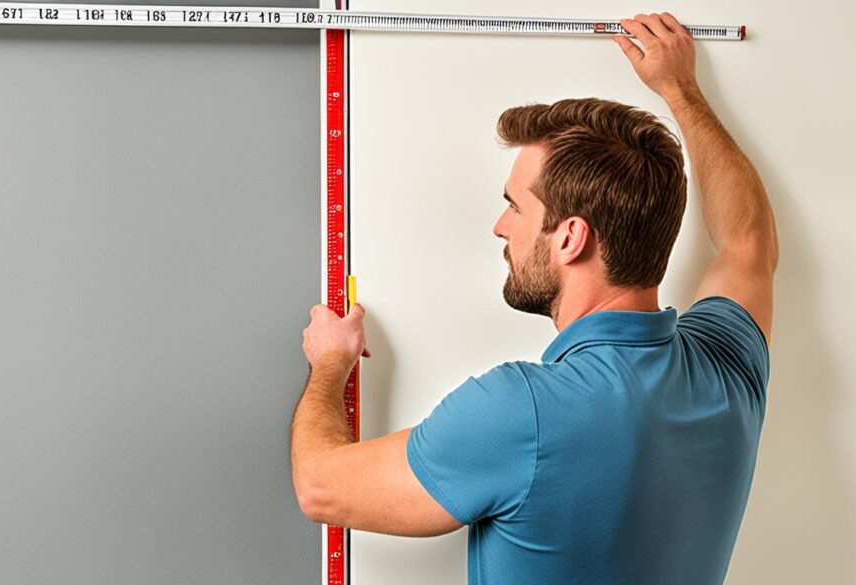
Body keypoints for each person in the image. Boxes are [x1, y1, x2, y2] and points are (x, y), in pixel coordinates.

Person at [291, 11, 778, 584]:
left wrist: (330, 362)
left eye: (516, 206)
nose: (501, 226)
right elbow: (749, 240)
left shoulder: (522, 412)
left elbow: (321, 485)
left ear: (570, 238)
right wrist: (682, 90)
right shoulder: (727, 368)